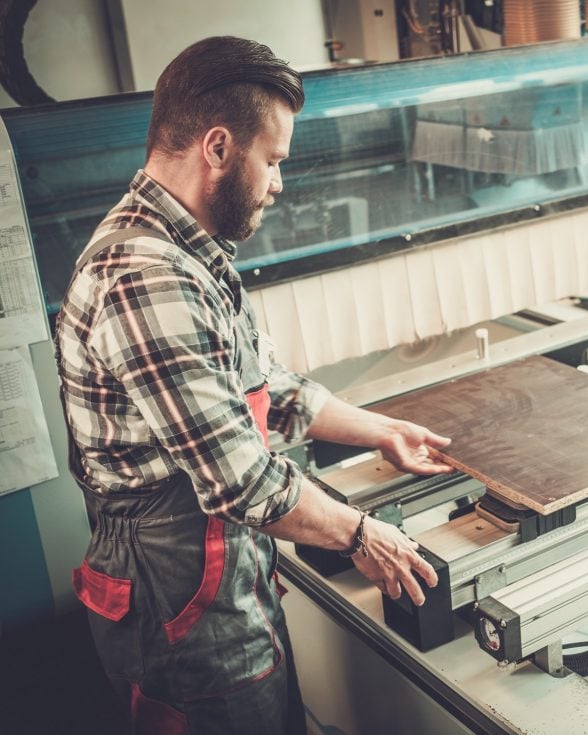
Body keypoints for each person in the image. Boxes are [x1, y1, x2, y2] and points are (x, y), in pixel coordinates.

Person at [55, 36, 451, 735]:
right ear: (217, 148)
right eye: (272, 160)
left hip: (223, 595)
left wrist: (382, 429)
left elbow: (267, 390)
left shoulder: (191, 254)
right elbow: (243, 480)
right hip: (179, 622)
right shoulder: (145, 276)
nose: (278, 182)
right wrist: (364, 534)